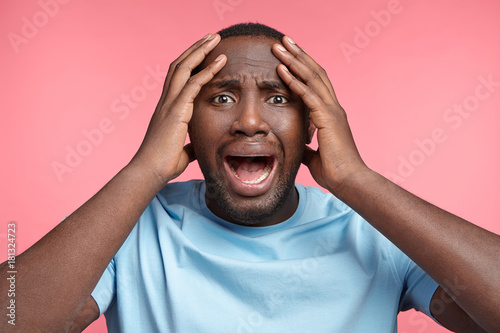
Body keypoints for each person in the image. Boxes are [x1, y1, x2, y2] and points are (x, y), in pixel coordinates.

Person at [1, 23, 499, 333]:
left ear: (313, 124)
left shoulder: (374, 228)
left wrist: (357, 181)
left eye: (278, 98)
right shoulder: (128, 228)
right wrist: (143, 171)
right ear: (183, 125)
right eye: (220, 98)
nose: (250, 121)